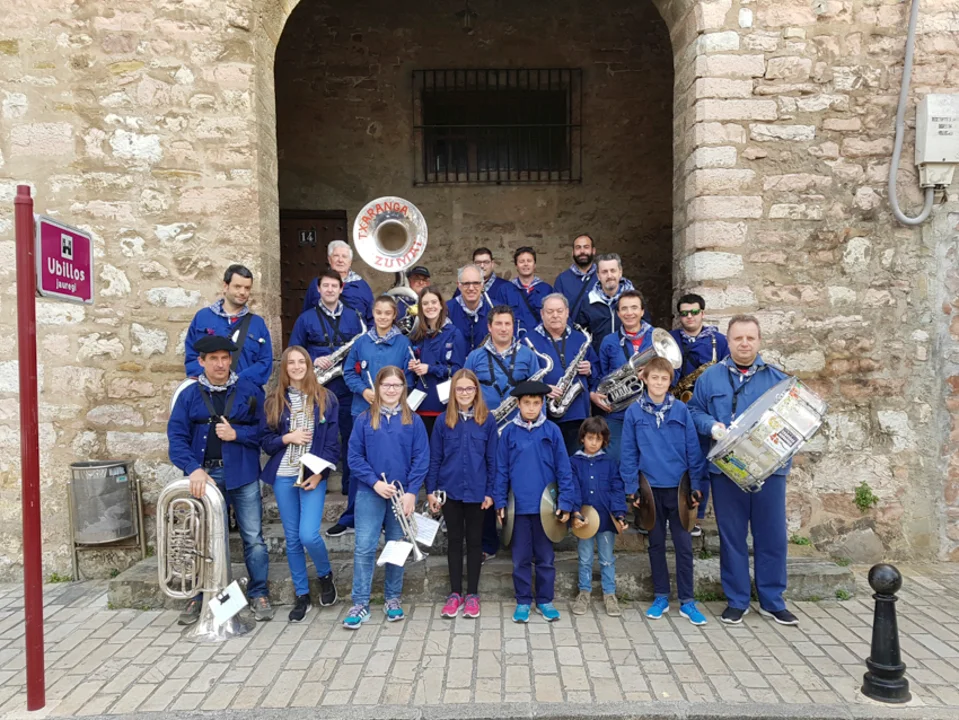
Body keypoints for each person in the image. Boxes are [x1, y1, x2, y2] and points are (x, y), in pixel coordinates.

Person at [687, 315, 799, 627]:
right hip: (726, 471)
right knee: (732, 537)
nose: (744, 344)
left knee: (772, 536)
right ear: (729, 341)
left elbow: (792, 425)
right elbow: (693, 411)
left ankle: (772, 601)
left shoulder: (778, 380)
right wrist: (711, 426)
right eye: (738, 338)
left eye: (750, 338)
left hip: (769, 471)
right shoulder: (710, 378)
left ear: (759, 341)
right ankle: (737, 601)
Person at [167, 335, 273, 624]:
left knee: (254, 538)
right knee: (204, 539)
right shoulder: (188, 395)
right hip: (205, 477)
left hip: (244, 473)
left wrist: (237, 434)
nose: (220, 364)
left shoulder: (251, 390)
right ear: (201, 362)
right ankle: (203, 595)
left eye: (225, 358)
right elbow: (176, 438)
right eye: (213, 359)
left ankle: (259, 592)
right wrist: (193, 468)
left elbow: (264, 433)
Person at [619, 356, 708, 626]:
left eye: (664, 379)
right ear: (645, 379)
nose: (659, 383)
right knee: (656, 544)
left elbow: (693, 449)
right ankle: (660, 597)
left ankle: (688, 601)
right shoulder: (633, 412)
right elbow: (628, 452)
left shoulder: (681, 410)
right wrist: (631, 488)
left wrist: (696, 485)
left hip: (679, 488)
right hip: (649, 489)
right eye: (654, 378)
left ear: (670, 382)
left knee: (683, 546)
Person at [343, 366, 429, 629]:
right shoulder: (364, 419)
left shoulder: (414, 421)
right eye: (386, 385)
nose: (391, 390)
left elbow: (421, 458)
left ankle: (392, 598)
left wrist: (412, 492)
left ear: (404, 388)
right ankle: (360, 603)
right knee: (364, 547)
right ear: (378, 388)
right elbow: (354, 457)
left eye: (397, 385)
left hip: (402, 496)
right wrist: (374, 482)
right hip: (370, 492)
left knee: (396, 545)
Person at [260, 346, 340, 622]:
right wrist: (287, 438)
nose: (296, 366)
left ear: (309, 364)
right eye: (291, 362)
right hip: (284, 475)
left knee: (309, 535)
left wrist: (319, 474)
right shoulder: (274, 401)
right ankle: (302, 594)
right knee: (292, 538)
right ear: (284, 368)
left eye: (301, 361)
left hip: (312, 474)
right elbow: (265, 442)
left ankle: (325, 575)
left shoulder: (326, 398)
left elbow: (332, 444)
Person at [493, 381, 578, 624]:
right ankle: (522, 601)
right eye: (527, 403)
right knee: (520, 558)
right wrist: (499, 501)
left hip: (546, 508)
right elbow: (501, 470)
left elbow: (564, 469)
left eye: (536, 403)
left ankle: (545, 600)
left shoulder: (552, 431)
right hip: (518, 507)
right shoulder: (509, 433)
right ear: (518, 404)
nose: (531, 408)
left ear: (543, 404)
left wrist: (566, 501)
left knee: (545, 558)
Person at [328, 295, 412, 537]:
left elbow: (409, 377)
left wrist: (392, 397)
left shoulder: (403, 343)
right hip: (362, 410)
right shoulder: (361, 342)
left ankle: (388, 518)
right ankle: (352, 517)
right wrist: (364, 390)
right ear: (373, 314)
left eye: (388, 313)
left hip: (393, 413)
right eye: (378, 312)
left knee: (390, 462)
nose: (382, 317)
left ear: (394, 315)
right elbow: (348, 372)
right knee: (359, 465)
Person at [464, 305, 541, 561]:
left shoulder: (528, 355)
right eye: (498, 323)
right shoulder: (475, 357)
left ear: (513, 326)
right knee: (485, 482)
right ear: (489, 327)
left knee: (520, 481)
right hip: (485, 429)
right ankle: (487, 543)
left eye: (508, 324)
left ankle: (521, 541)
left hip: (519, 428)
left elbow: (537, 393)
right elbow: (464, 390)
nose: (504, 328)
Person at [288, 269, 365, 510]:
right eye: (326, 286)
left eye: (334, 286)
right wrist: (313, 359)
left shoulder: (354, 317)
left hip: (346, 385)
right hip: (317, 386)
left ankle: (349, 485)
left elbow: (361, 348)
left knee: (350, 434)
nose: (330, 290)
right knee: (318, 434)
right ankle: (314, 479)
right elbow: (293, 351)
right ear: (319, 289)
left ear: (341, 289)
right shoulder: (305, 318)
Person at [427, 369, 498, 619]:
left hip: (478, 492)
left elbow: (493, 460)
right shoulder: (442, 421)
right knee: (454, 541)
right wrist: (431, 491)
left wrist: (491, 492)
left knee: (475, 542)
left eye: (469, 388)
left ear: (476, 391)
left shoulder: (487, 420)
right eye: (460, 389)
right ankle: (455, 593)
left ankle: (473, 595)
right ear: (453, 391)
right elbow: (435, 458)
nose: (465, 393)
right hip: (450, 490)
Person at [669, 292, 729, 536]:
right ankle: (673, 513)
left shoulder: (719, 341)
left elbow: (727, 372)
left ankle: (696, 517)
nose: (689, 317)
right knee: (675, 464)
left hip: (705, 410)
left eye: (694, 312)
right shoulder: (671, 338)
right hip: (676, 407)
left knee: (701, 465)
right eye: (684, 313)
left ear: (702, 313)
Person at [569, 417, 627, 618]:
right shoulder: (574, 462)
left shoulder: (610, 463)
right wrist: (575, 512)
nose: (593, 443)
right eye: (590, 438)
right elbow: (573, 488)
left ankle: (609, 594)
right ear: (582, 438)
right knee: (585, 557)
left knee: (607, 559)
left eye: (598, 439)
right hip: (584, 521)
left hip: (605, 519)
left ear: (604, 441)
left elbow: (617, 489)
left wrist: (619, 514)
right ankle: (584, 592)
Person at [528, 293, 599, 454]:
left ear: (567, 312)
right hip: (543, 415)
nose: (555, 315)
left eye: (559, 311)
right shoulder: (528, 341)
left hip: (577, 415)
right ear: (542, 314)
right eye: (550, 311)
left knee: (574, 461)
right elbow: (522, 378)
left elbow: (597, 371)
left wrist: (590, 369)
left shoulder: (581, 338)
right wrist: (542, 388)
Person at [184, 264, 273, 387]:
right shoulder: (202, 318)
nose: (242, 292)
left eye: (247, 288)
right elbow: (192, 357)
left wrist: (237, 381)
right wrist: (213, 381)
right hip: (208, 393)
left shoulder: (258, 324)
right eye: (237, 287)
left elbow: (265, 362)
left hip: (246, 393)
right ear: (225, 286)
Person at [593, 290, 654, 462]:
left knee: (649, 461)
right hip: (618, 415)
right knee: (617, 459)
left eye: (634, 308)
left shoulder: (657, 337)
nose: (629, 313)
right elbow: (603, 376)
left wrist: (651, 373)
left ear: (642, 311)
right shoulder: (609, 341)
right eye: (624, 309)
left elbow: (672, 372)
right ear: (618, 313)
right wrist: (595, 393)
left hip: (651, 411)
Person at [408, 287, 468, 438]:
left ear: (441, 305)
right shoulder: (417, 335)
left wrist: (430, 369)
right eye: (425, 303)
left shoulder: (454, 333)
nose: (430, 306)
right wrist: (413, 366)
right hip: (421, 404)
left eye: (434, 302)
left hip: (445, 405)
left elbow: (459, 371)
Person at [574, 253, 637, 354]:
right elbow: (580, 335)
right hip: (600, 360)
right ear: (598, 275)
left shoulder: (635, 300)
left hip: (629, 359)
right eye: (604, 272)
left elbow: (645, 330)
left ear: (620, 272)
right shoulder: (588, 302)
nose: (609, 276)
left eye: (613, 270)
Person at [302, 240, 375, 324]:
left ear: (350, 262)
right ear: (329, 260)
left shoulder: (362, 286)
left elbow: (372, 318)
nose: (340, 260)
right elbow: (306, 316)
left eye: (344, 256)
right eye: (336, 256)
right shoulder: (316, 284)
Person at [470, 247, 537, 332]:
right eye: (478, 263)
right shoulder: (464, 288)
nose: (482, 266)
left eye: (486, 262)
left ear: (492, 264)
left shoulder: (505, 287)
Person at [447, 264, 493, 352]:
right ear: (459, 285)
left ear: (482, 284)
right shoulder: (446, 311)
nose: (471, 288)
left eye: (476, 283)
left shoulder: (495, 309)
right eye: (466, 283)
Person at [553, 234, 597, 321]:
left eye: (586, 247)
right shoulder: (562, 280)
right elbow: (557, 311)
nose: (582, 251)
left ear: (593, 251)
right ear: (573, 252)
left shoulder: (603, 277)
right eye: (578, 247)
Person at [511, 246, 552, 325]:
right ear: (516, 266)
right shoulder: (505, 290)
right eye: (521, 261)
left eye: (529, 261)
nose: (526, 264)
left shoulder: (547, 290)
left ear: (534, 265)